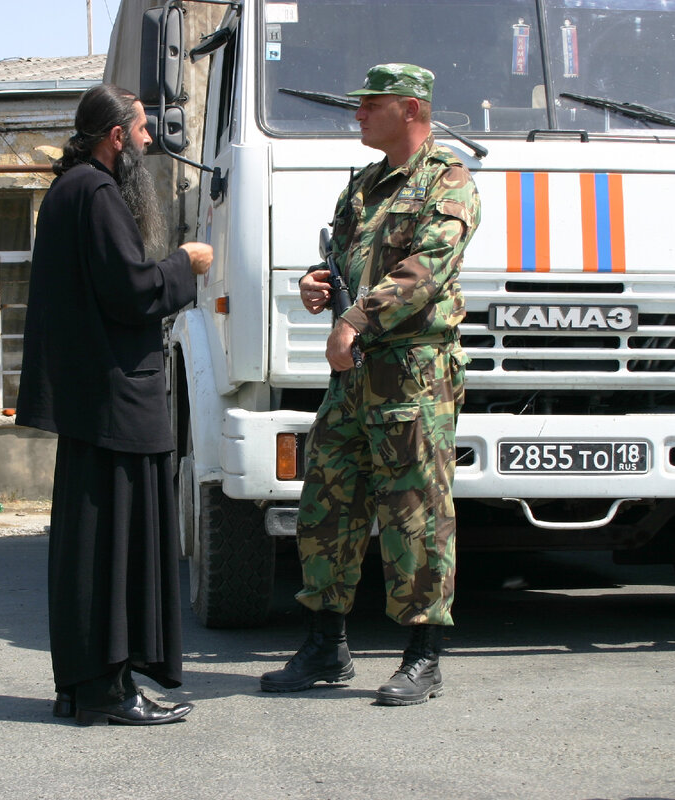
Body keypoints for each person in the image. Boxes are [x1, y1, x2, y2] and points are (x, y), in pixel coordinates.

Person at [259, 64, 481, 706]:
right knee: (326, 504)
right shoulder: (363, 185)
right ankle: (325, 645)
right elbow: (342, 257)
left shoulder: (450, 180)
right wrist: (315, 280)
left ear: (410, 109)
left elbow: (427, 269)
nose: (356, 114)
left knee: (415, 514)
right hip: (353, 377)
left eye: (370, 105)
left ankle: (422, 656)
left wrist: (352, 321)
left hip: (411, 371)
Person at [16, 84, 213, 726]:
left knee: (92, 546)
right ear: (116, 136)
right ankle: (108, 690)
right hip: (115, 402)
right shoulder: (97, 193)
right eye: (142, 129)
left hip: (94, 401)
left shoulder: (68, 191)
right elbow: (130, 291)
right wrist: (185, 264)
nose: (152, 140)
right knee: (116, 547)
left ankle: (90, 686)